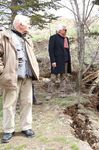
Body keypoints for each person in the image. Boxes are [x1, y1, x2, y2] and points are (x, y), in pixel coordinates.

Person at [0, 15, 40, 143]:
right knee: (9, 105)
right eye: (28, 23)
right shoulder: (4, 36)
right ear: (20, 24)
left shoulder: (27, 38)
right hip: (11, 77)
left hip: (27, 77)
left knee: (27, 102)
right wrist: (2, 72)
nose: (29, 25)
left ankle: (26, 127)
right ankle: (8, 130)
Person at [47, 24, 71, 98]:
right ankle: (49, 94)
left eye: (66, 29)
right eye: (64, 29)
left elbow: (67, 50)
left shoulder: (66, 38)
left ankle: (62, 93)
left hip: (65, 61)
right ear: (60, 30)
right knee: (53, 78)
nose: (66, 31)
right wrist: (53, 61)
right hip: (56, 61)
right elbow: (51, 50)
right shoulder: (53, 38)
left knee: (63, 77)